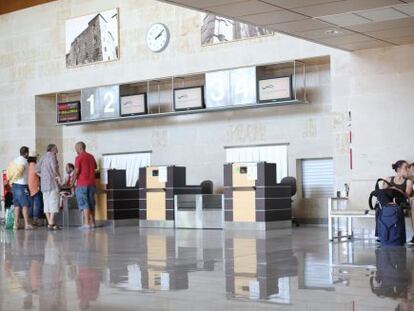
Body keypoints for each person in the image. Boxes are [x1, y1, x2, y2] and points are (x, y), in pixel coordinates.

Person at [383, 160, 414, 244]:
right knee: (380, 207)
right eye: (406, 168)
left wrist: (397, 190)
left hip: (402, 203)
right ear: (399, 169)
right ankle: (382, 234)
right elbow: (383, 193)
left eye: (408, 168)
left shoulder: (409, 181)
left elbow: (406, 196)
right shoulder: (389, 179)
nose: (408, 170)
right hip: (388, 203)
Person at [7, 146, 33, 230]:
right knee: (25, 205)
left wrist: (11, 180)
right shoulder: (24, 161)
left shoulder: (15, 160)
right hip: (22, 186)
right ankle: (26, 224)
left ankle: (16, 224)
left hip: (14, 185)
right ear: (26, 153)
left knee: (16, 205)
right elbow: (21, 172)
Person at [36, 144, 61, 230]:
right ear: (53, 149)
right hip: (52, 183)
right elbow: (54, 169)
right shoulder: (52, 156)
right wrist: (58, 177)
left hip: (44, 184)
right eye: (56, 148)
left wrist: (43, 176)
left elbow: (36, 170)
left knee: (46, 203)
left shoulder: (43, 157)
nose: (57, 149)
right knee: (54, 202)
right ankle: (51, 223)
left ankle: (51, 223)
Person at [72, 142, 97, 230]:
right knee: (91, 203)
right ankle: (93, 222)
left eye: (76, 149)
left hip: (82, 184)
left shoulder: (79, 157)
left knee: (84, 203)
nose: (75, 151)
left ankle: (86, 223)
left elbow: (76, 171)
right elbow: (95, 166)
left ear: (79, 148)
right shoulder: (91, 156)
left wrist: (72, 183)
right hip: (92, 183)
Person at [27, 152, 43, 226]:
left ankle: (30, 220)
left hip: (29, 188)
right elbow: (40, 174)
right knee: (37, 204)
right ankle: (35, 220)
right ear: (34, 158)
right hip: (35, 187)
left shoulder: (28, 166)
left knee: (30, 205)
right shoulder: (35, 166)